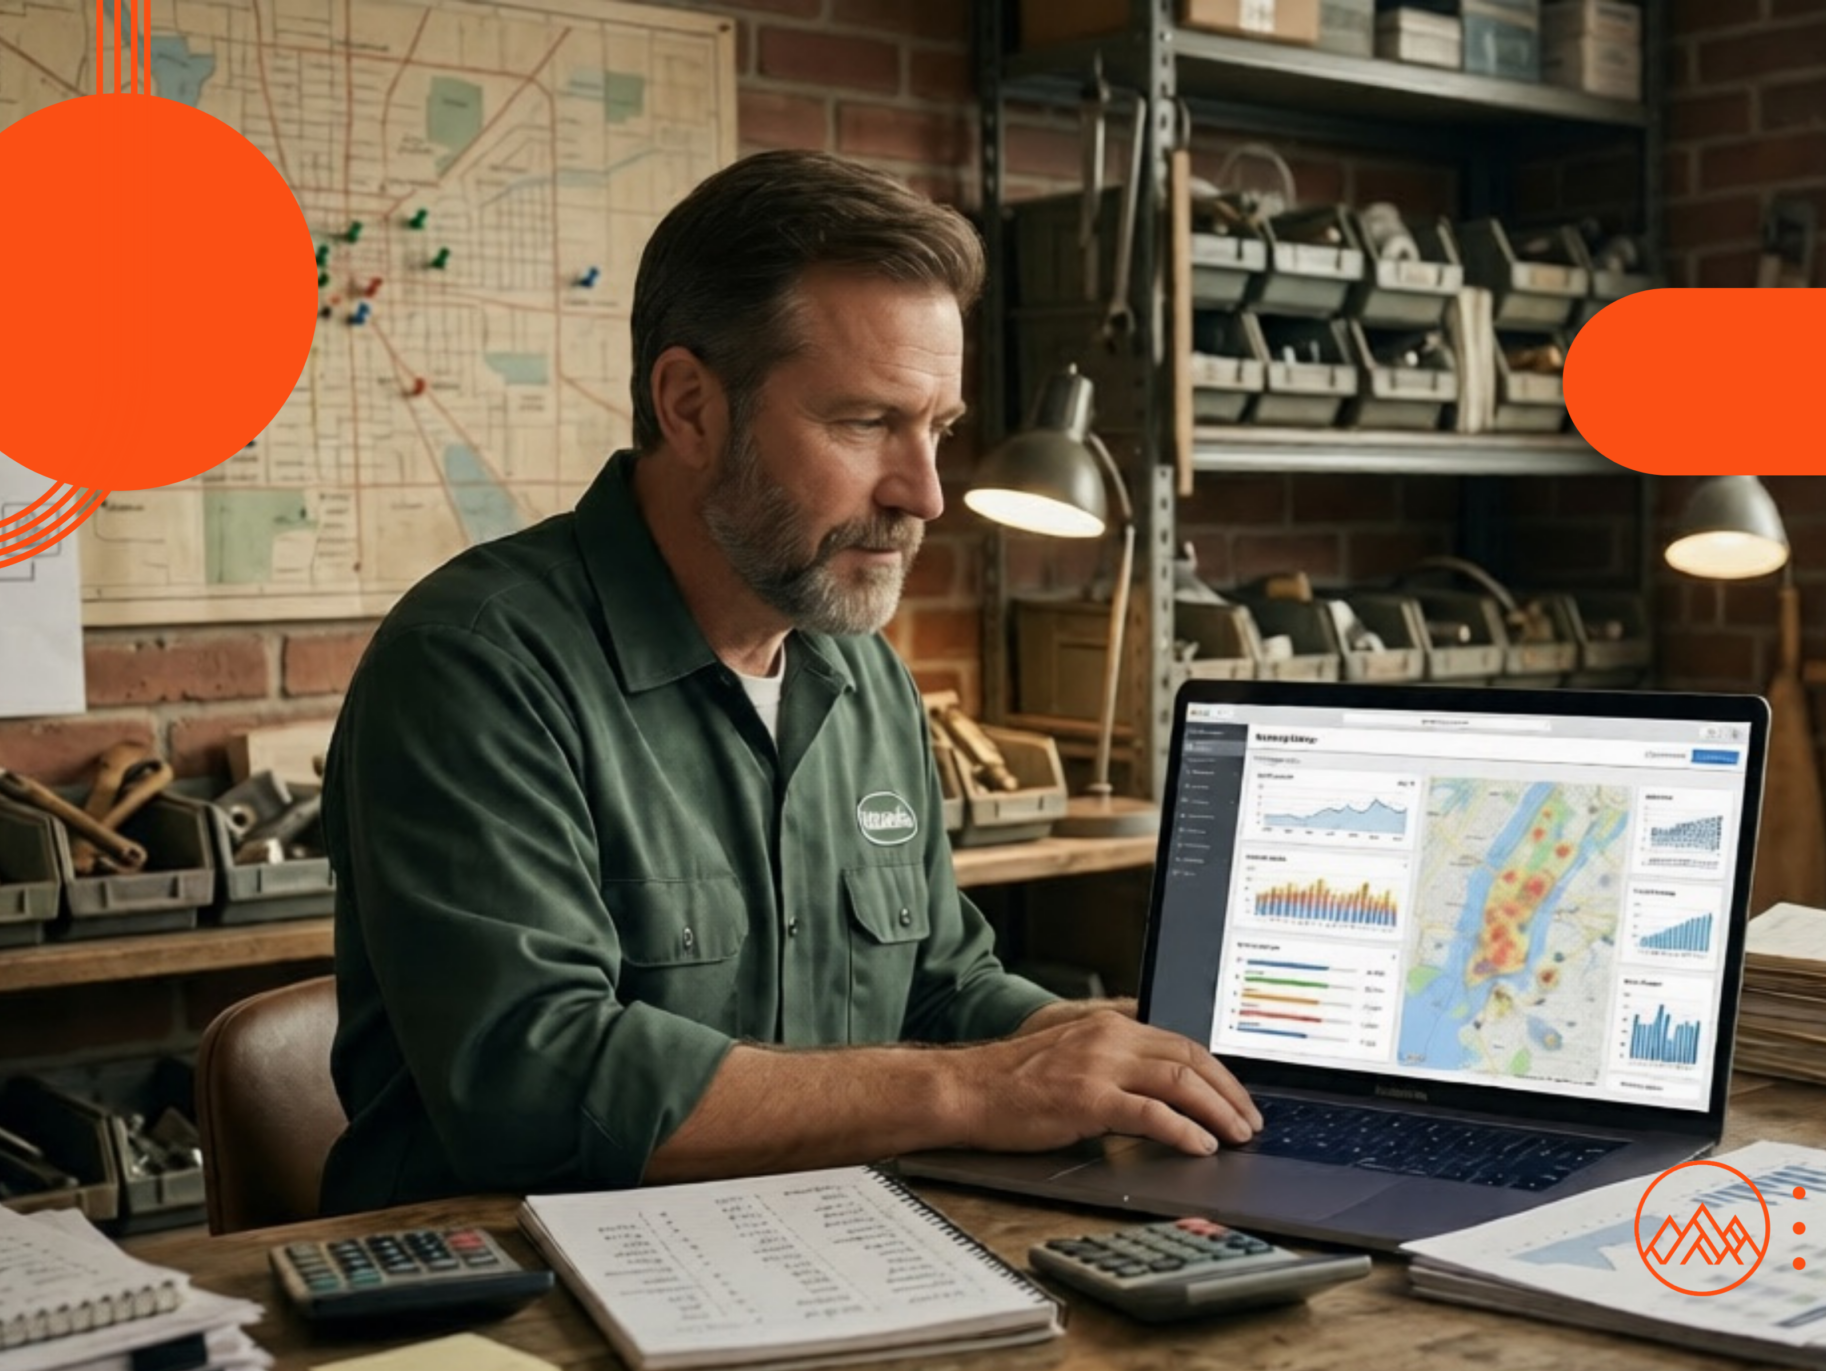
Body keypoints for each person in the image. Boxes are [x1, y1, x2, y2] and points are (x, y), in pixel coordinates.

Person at [318, 149, 1258, 1212]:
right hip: (507, 1284)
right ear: (691, 407)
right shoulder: (475, 667)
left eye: (938, 429)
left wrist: (1087, 1048)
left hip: (808, 1250)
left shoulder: (860, 673)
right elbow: (535, 1085)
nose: (924, 494)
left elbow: (939, 986)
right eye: (866, 422)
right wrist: (974, 1089)